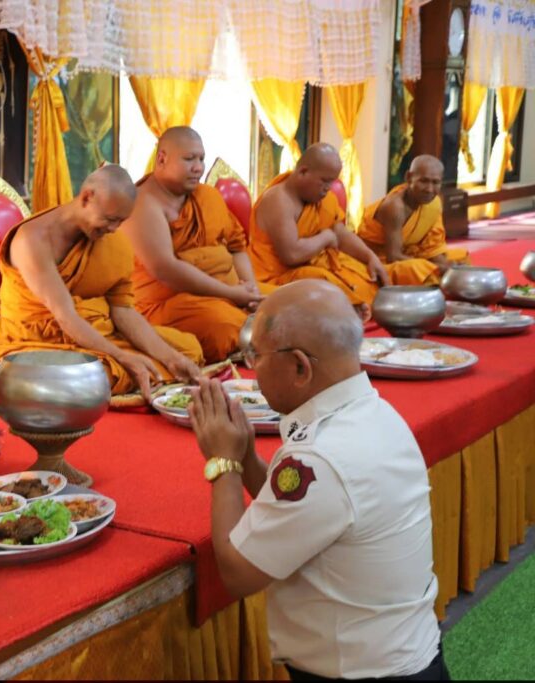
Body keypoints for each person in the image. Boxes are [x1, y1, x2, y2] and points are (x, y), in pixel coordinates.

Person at [185, 279, 447, 681]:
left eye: (256, 356)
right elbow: (308, 514)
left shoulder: (320, 457)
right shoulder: (374, 413)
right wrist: (247, 456)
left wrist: (223, 462)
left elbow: (238, 574)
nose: (252, 370)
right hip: (404, 658)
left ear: (300, 367)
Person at [0, 164, 203, 406]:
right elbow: (65, 316)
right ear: (86, 198)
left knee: (184, 351)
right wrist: (123, 357)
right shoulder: (32, 240)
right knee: (97, 376)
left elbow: (123, 310)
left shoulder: (113, 242)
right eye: (110, 219)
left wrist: (170, 357)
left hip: (92, 333)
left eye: (120, 221)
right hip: (37, 342)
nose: (113, 229)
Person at [120, 127, 264, 362]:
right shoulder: (143, 205)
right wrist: (232, 294)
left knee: (284, 303)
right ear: (162, 159)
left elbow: (237, 247)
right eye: (189, 159)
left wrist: (251, 292)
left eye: (201, 159)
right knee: (225, 326)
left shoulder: (208, 196)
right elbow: (166, 269)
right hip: (166, 305)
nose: (198, 167)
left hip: (228, 292)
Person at [248, 143, 389, 309]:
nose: (328, 188)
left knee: (367, 276)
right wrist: (325, 238)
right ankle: (352, 308)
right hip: (274, 278)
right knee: (323, 284)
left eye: (332, 182)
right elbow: (291, 255)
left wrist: (370, 257)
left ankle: (358, 305)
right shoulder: (279, 200)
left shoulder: (321, 199)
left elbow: (341, 234)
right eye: (324, 181)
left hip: (311, 268)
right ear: (303, 172)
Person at [359, 155, 469, 284]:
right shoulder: (395, 207)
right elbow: (393, 257)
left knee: (461, 259)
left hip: (410, 254)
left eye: (435, 182)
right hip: (377, 260)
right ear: (409, 178)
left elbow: (431, 248)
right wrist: (438, 268)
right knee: (419, 269)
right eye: (423, 181)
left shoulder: (434, 203)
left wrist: (446, 265)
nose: (429, 189)